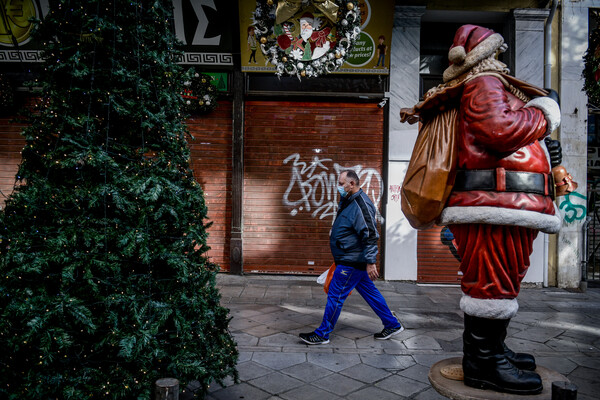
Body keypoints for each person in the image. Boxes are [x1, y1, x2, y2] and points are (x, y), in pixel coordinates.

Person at [401, 25, 563, 395]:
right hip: (492, 206)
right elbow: (499, 130)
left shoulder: (487, 83)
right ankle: (484, 363)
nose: (502, 54)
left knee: (502, 281)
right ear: (485, 53)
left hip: (503, 205)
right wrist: (545, 114)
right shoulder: (484, 82)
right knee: (492, 282)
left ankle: (493, 351)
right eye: (498, 48)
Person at [299, 170, 403, 345]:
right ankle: (392, 324)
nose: (338, 187)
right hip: (351, 258)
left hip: (352, 261)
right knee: (370, 293)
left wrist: (371, 262)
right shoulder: (348, 200)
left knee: (335, 295)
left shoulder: (362, 204)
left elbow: (370, 234)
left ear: (352, 184)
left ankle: (323, 333)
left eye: (341, 183)